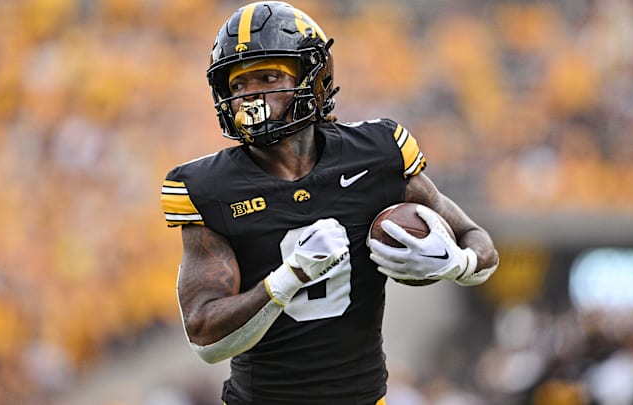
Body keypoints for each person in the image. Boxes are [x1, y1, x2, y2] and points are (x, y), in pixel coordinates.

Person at [160, 2, 499, 404]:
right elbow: (205, 338)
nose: (251, 96)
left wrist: (456, 263)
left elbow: (481, 245)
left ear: (315, 78)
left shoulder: (377, 153)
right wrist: (286, 280)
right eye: (238, 85)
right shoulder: (209, 186)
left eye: (268, 77)